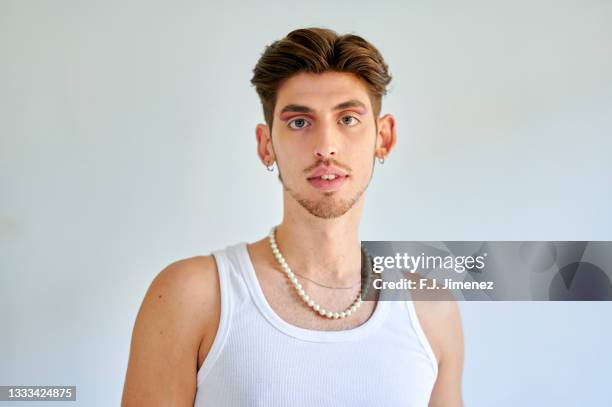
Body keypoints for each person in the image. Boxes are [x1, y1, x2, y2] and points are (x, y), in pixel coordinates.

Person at [121, 27, 464, 406]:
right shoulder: (193, 295)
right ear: (266, 145)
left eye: (348, 119)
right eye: (300, 122)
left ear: (383, 137)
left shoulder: (429, 308)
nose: (326, 147)